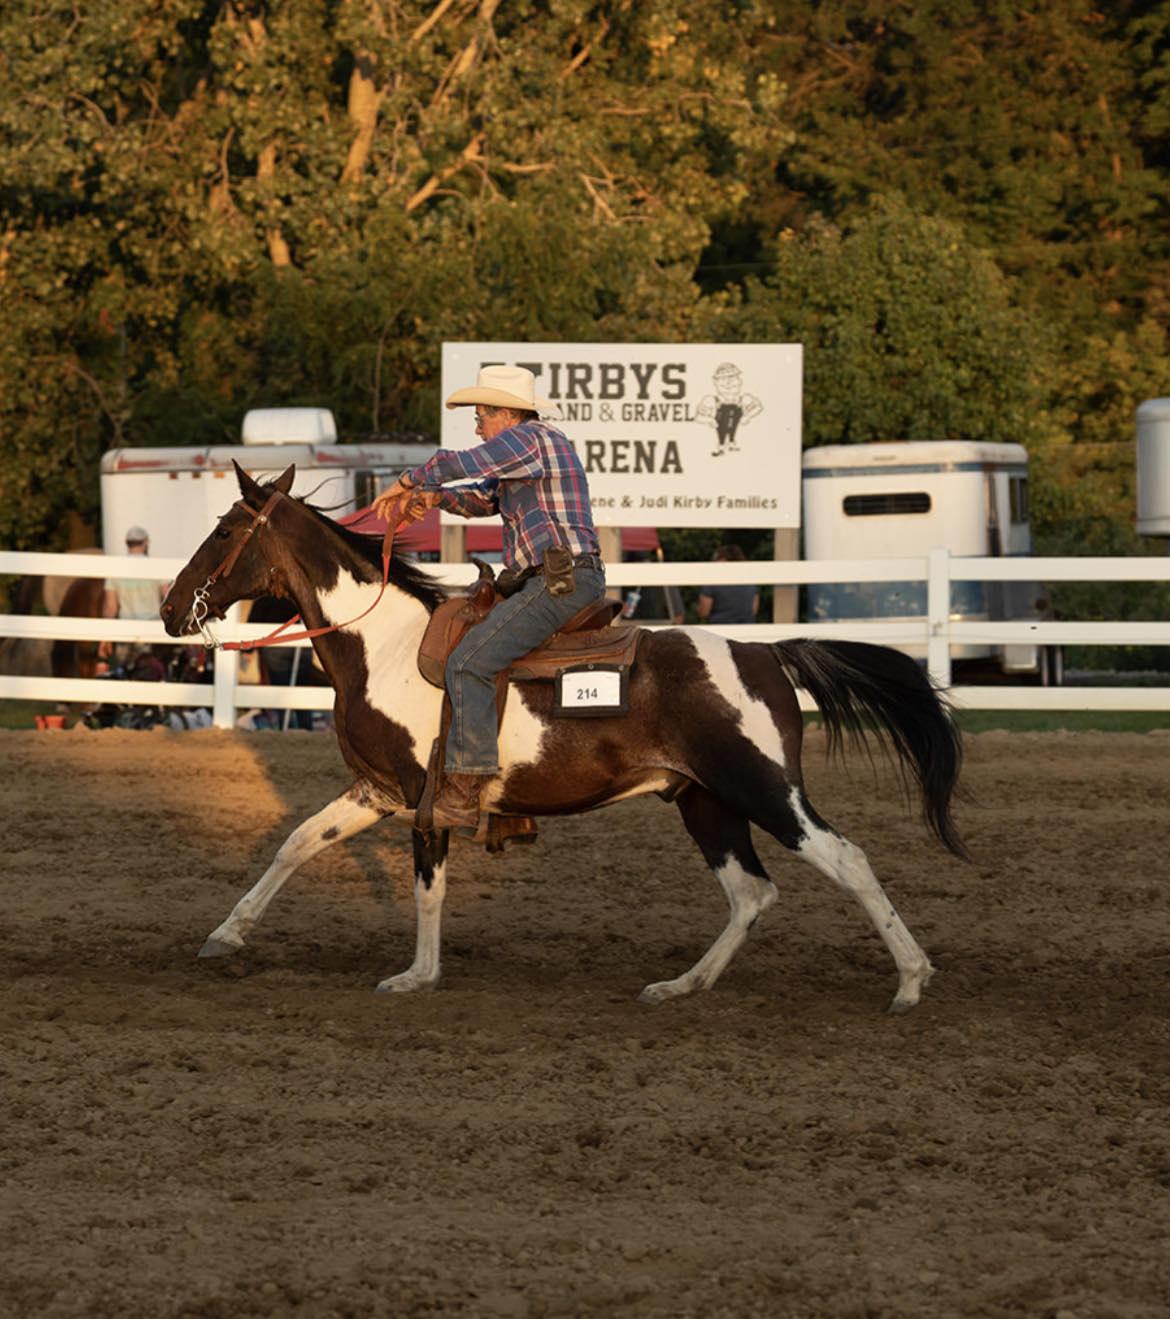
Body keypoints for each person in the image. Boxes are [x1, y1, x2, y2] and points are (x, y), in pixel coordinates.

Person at [372, 364, 605, 830]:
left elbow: (463, 464)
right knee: (485, 654)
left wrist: (411, 480)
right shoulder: (527, 451)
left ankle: (463, 791)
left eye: (481, 416)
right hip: (550, 578)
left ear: (507, 414)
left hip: (558, 580)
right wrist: (436, 498)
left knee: (469, 662)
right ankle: (511, 802)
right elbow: (483, 498)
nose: (477, 427)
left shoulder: (531, 439)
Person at [100, 526, 165, 669]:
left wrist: (105, 637)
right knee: (152, 672)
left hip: (126, 630)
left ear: (126, 543)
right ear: (146, 542)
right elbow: (167, 597)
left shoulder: (115, 569)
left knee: (125, 672)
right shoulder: (157, 566)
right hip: (153, 631)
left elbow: (111, 608)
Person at [697, 544, 759, 624]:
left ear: (723, 559)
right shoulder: (750, 581)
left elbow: (704, 612)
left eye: (715, 559)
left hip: (719, 630)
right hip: (747, 630)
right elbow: (754, 610)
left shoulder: (713, 581)